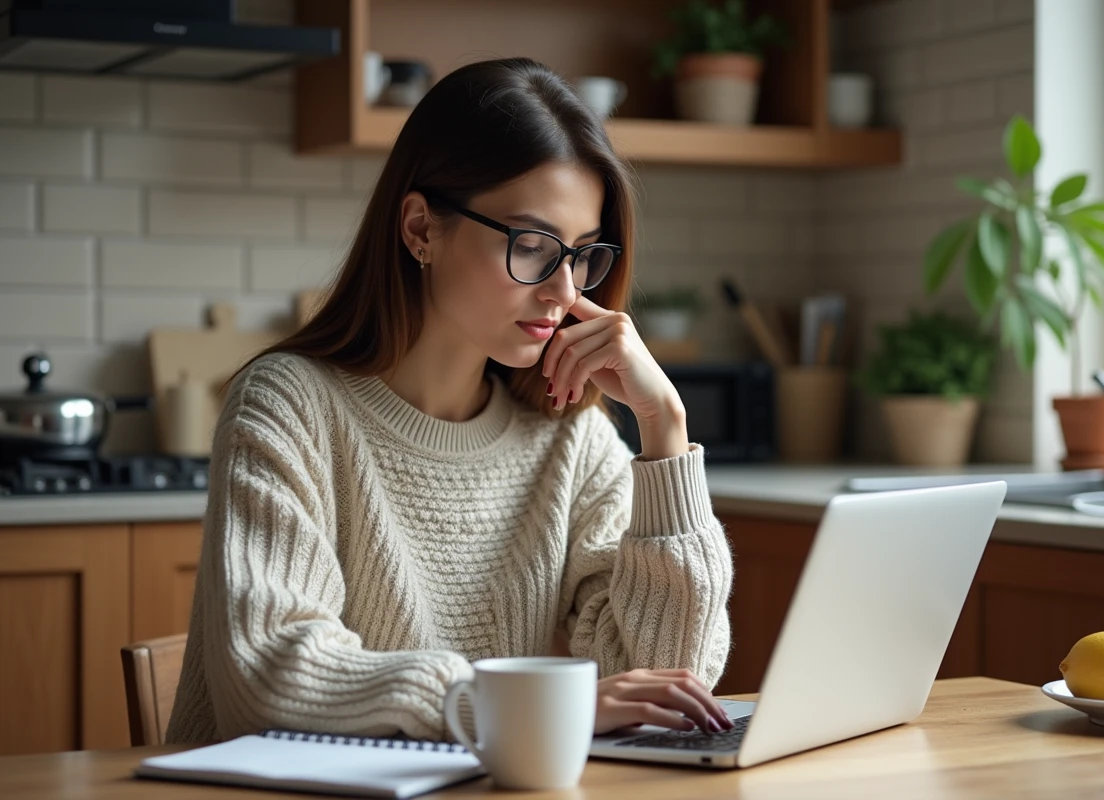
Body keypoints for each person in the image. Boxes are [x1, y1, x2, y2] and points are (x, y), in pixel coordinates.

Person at [165, 57, 734, 745]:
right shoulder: (289, 405)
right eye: (533, 245)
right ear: (420, 229)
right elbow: (271, 676)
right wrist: (515, 707)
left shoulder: (569, 439)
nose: (563, 291)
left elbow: (667, 682)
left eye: (582, 255)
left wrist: (663, 429)